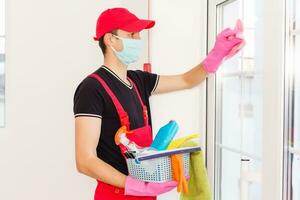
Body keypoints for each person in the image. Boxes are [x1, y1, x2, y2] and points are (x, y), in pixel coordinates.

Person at [73, 7, 244, 200]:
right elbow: (85, 160)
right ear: (110, 39)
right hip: (116, 194)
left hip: (147, 193)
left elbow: (187, 80)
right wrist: (134, 186)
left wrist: (216, 56)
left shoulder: (139, 81)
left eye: (138, 34)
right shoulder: (92, 89)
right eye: (131, 34)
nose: (138, 40)